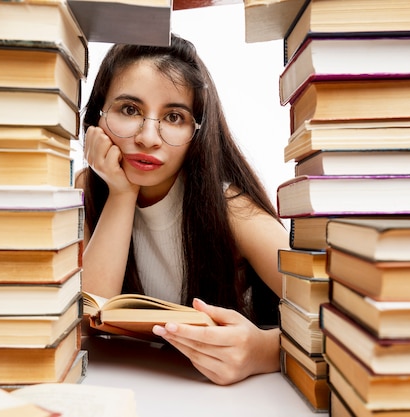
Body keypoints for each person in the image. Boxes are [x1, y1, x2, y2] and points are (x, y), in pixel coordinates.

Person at [76, 33, 291, 385]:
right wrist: (121, 193)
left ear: (197, 131)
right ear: (99, 117)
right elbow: (90, 318)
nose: (148, 137)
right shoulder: (86, 188)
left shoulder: (229, 206)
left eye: (174, 117)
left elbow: (338, 312)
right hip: (142, 387)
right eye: (129, 110)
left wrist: (265, 350)